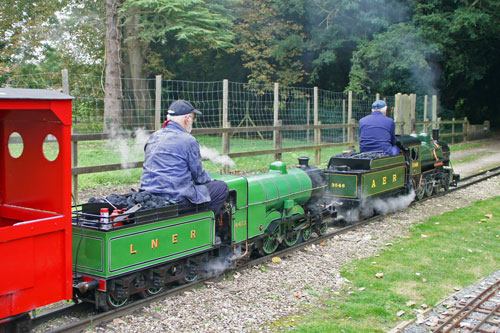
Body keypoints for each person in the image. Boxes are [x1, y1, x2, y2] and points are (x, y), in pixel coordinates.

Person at [140, 100, 229, 215]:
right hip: (175, 197)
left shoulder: (153, 137)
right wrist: (211, 180)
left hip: (149, 194)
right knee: (221, 188)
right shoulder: (189, 140)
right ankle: (203, 224)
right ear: (187, 119)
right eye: (193, 118)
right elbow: (199, 177)